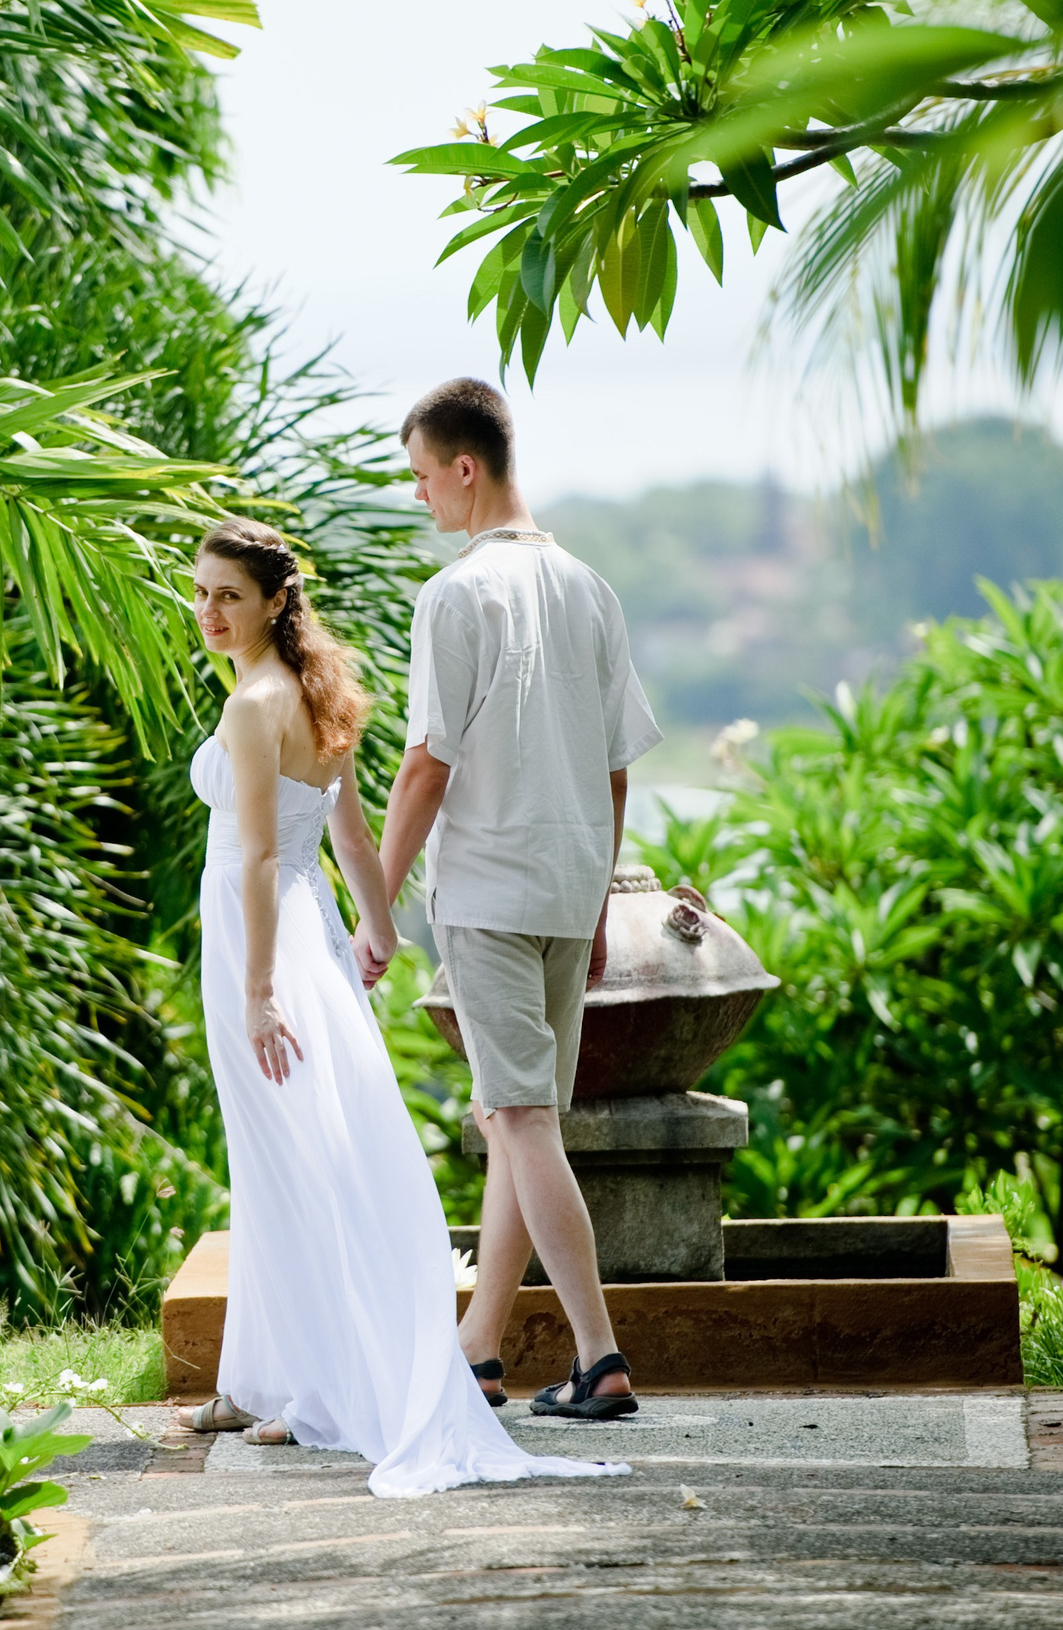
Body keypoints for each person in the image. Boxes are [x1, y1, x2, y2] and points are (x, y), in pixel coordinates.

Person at [173, 516, 624, 1497]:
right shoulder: (315, 689)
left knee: (287, 1156)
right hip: (307, 931)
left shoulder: (255, 701)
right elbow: (345, 823)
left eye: (228, 595)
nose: (208, 610)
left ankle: (308, 1386)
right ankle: (252, 1380)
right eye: (200, 591)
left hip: (263, 943)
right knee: (281, 1152)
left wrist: (258, 992)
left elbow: (257, 854)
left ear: (273, 601)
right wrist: (375, 928)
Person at [364, 378, 663, 1421]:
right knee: (514, 1115)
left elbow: (423, 767)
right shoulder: (590, 585)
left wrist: (377, 906)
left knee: (521, 1117)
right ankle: (478, 1348)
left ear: (464, 466)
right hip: (568, 884)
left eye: (420, 477)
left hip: (488, 888)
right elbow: (617, 767)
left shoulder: (454, 594)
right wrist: (591, 908)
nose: (420, 500)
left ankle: (599, 1354)